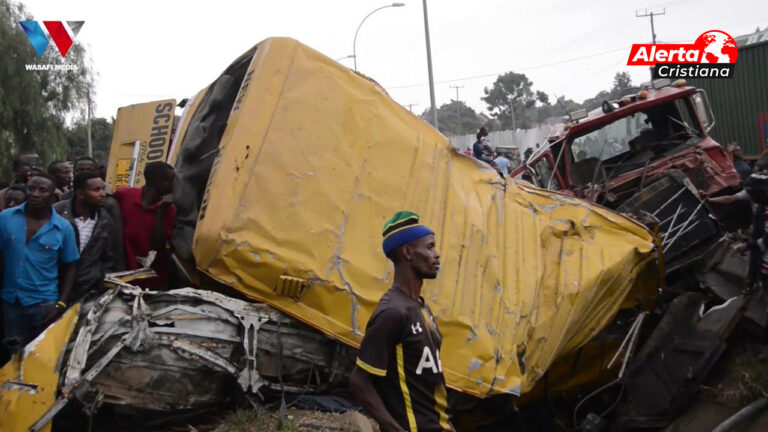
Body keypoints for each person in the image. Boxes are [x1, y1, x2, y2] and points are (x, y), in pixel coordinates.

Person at [349, 211, 453, 432]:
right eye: (430, 247)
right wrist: (392, 427)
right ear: (407, 252)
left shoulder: (421, 307)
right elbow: (359, 381)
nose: (437, 255)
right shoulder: (392, 312)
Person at [0, 174, 79, 352]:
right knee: (13, 355)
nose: (35, 194)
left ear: (52, 195)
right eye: (31, 188)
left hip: (43, 304)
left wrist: (61, 304)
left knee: (41, 356)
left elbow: (71, 266)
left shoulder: (63, 227)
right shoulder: (5, 218)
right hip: (10, 302)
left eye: (42, 190)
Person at [54, 172, 123, 301]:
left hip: (89, 291)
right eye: (96, 190)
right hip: (55, 287)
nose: (103, 194)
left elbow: (111, 257)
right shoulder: (57, 212)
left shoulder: (105, 220)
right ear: (80, 194)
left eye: (103, 188)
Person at [113, 162, 177, 289]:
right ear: (155, 180)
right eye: (169, 181)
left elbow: (157, 245)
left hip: (153, 278)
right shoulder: (123, 195)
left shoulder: (169, 209)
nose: (172, 186)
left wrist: (160, 212)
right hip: (122, 275)